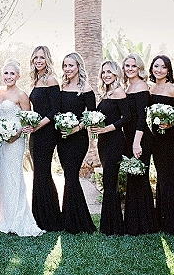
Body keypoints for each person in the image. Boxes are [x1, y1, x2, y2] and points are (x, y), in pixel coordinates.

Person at [0, 59, 44, 236]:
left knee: (15, 176)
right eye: (6, 73)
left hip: (16, 141)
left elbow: (27, 121)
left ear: (18, 76)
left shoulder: (22, 95)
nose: (9, 76)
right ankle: (6, 218)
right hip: (1, 141)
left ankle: (18, 219)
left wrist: (14, 136)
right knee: (4, 178)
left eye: (12, 73)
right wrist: (0, 133)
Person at [57, 52, 96, 234]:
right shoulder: (62, 87)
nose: (68, 69)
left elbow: (92, 116)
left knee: (72, 176)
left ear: (79, 66)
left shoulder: (86, 89)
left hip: (78, 139)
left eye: (71, 65)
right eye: (65, 65)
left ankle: (80, 223)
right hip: (62, 139)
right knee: (68, 176)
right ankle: (69, 219)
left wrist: (76, 128)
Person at [89, 60, 130, 235]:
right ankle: (109, 224)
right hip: (103, 142)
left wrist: (106, 129)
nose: (106, 75)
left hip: (114, 141)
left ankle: (114, 227)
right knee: (108, 180)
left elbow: (126, 117)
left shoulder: (119, 91)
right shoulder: (105, 92)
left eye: (109, 72)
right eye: (103, 72)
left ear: (116, 74)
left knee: (110, 180)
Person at [122, 53, 158, 235]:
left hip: (141, 139)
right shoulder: (127, 87)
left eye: (133, 66)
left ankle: (145, 225)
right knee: (133, 178)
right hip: (130, 138)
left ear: (139, 68)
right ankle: (132, 223)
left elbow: (142, 118)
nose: (130, 69)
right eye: (127, 66)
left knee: (140, 178)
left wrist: (136, 143)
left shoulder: (142, 86)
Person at [149, 55, 174, 234]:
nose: (159, 70)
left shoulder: (172, 90)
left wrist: (170, 124)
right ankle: (161, 220)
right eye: (156, 66)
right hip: (156, 139)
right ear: (152, 68)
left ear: (169, 70)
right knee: (161, 178)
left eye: (163, 67)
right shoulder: (151, 88)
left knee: (169, 178)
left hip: (171, 139)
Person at [28, 46, 62, 231]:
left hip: (47, 133)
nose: (38, 60)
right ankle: (39, 216)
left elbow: (55, 110)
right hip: (35, 133)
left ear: (47, 59)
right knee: (38, 173)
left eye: (42, 57)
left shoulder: (51, 80)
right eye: (36, 57)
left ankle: (50, 219)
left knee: (43, 172)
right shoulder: (36, 80)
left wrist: (38, 125)